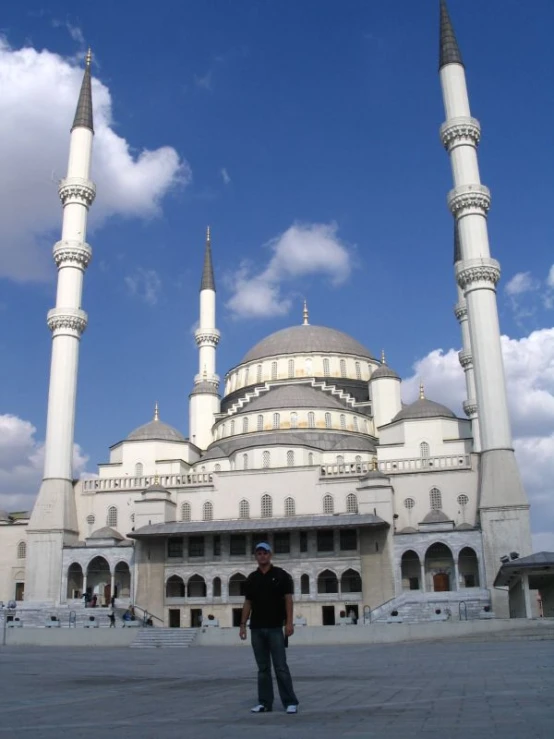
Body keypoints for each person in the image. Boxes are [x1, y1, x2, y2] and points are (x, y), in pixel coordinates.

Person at [240, 542, 299, 715]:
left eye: (265, 553)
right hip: (257, 628)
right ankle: (265, 703)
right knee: (263, 668)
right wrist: (242, 624)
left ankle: (290, 702)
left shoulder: (281, 575)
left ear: (270, 555)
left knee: (281, 666)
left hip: (274, 627)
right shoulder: (252, 578)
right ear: (256, 556)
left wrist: (289, 622)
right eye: (258, 553)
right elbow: (247, 603)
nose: (262, 556)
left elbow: (288, 599)